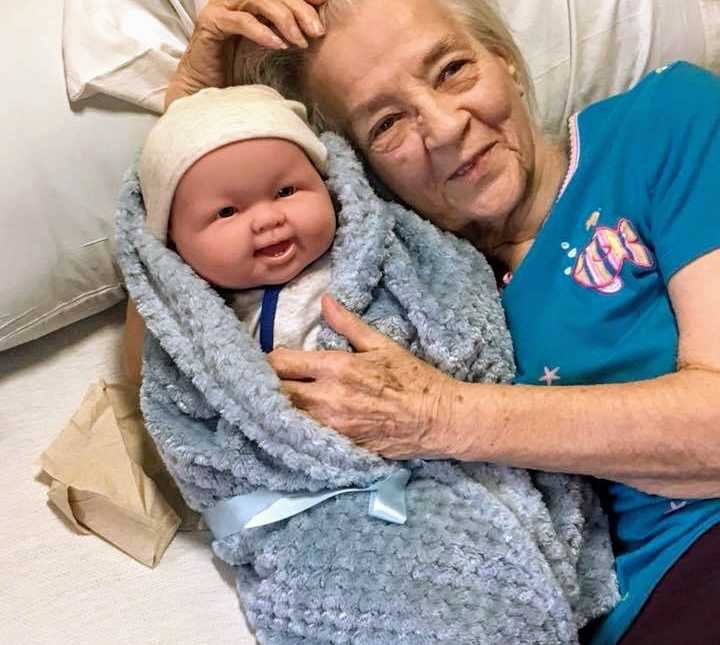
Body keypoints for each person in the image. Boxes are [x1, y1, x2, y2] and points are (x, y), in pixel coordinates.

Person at [151, 0, 720, 642]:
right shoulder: (398, 289)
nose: (446, 127)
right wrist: (186, 121)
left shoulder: (663, 123)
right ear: (357, 171)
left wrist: (439, 417)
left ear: (504, 59)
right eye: (388, 122)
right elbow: (181, 377)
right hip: (629, 610)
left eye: (452, 69)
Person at [138, 84, 335, 354]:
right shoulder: (199, 329)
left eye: (285, 192)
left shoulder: (373, 259)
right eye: (227, 212)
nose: (267, 219)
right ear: (173, 240)